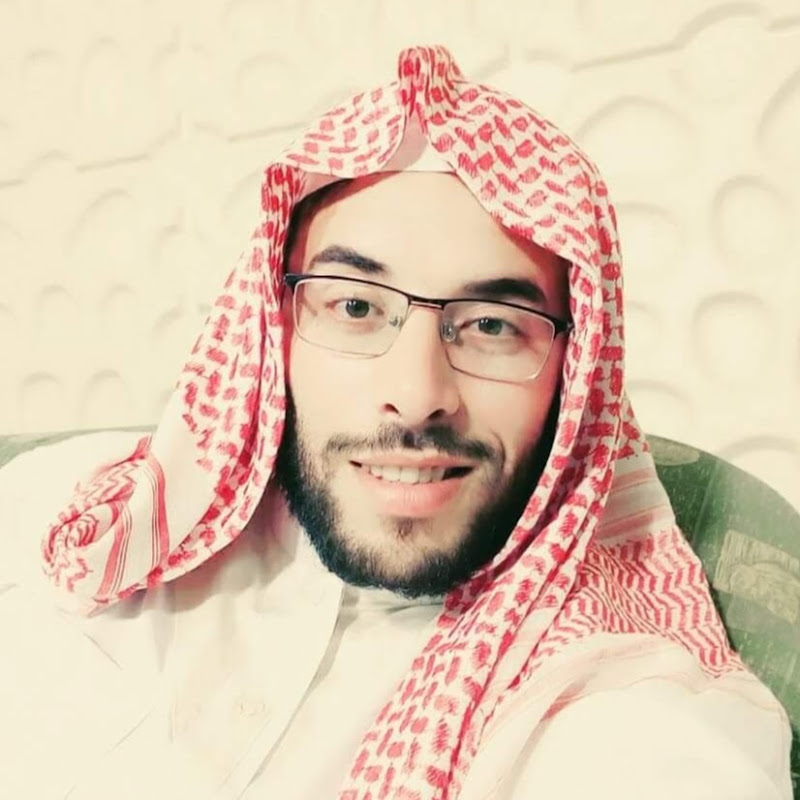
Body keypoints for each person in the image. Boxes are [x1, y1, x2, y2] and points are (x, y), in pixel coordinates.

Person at [0, 45, 791, 800]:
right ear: (271, 328)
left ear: (574, 378)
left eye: (492, 324)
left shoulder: (624, 709)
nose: (417, 396)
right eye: (354, 307)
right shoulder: (63, 511)